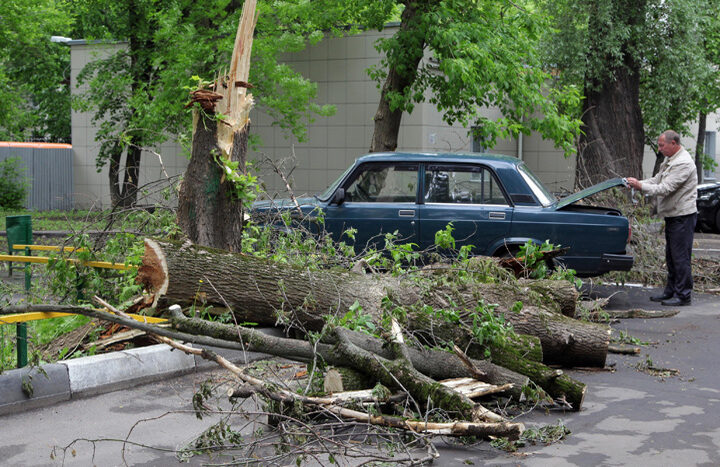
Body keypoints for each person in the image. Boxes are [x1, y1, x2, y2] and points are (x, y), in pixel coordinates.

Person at [626, 130, 698, 306]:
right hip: (673, 215)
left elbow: (665, 188)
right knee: (672, 256)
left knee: (680, 257)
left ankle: (683, 295)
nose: (659, 149)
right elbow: (658, 179)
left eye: (661, 145)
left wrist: (640, 186)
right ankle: (671, 291)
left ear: (673, 143)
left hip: (683, 216)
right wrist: (639, 182)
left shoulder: (683, 163)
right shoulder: (670, 159)